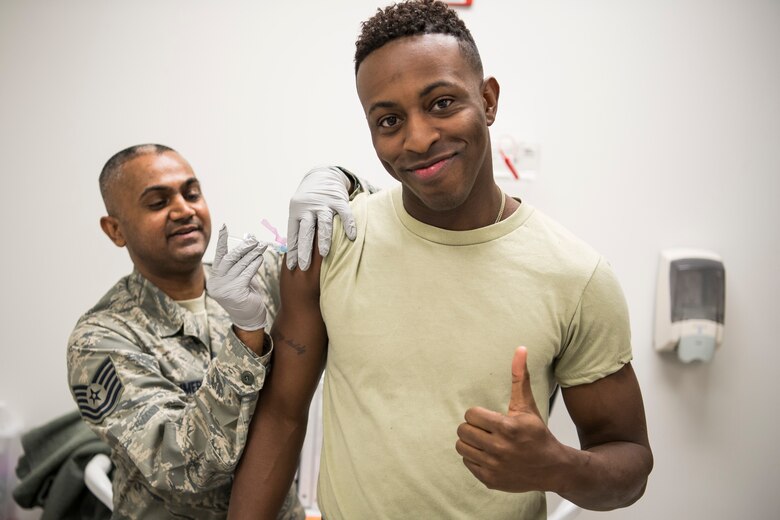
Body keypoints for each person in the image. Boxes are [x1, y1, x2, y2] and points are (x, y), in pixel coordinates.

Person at [227, 1, 654, 519]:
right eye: (389, 120)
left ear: (488, 99)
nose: (419, 138)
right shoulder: (333, 242)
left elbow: (629, 461)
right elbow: (282, 416)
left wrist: (556, 466)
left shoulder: (575, 276)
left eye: (442, 103)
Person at [66, 144, 373, 519]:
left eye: (191, 193)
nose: (184, 210)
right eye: (158, 203)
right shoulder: (104, 337)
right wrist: (247, 336)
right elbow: (183, 468)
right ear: (115, 229)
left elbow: (366, 249)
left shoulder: (260, 276)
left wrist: (343, 181)